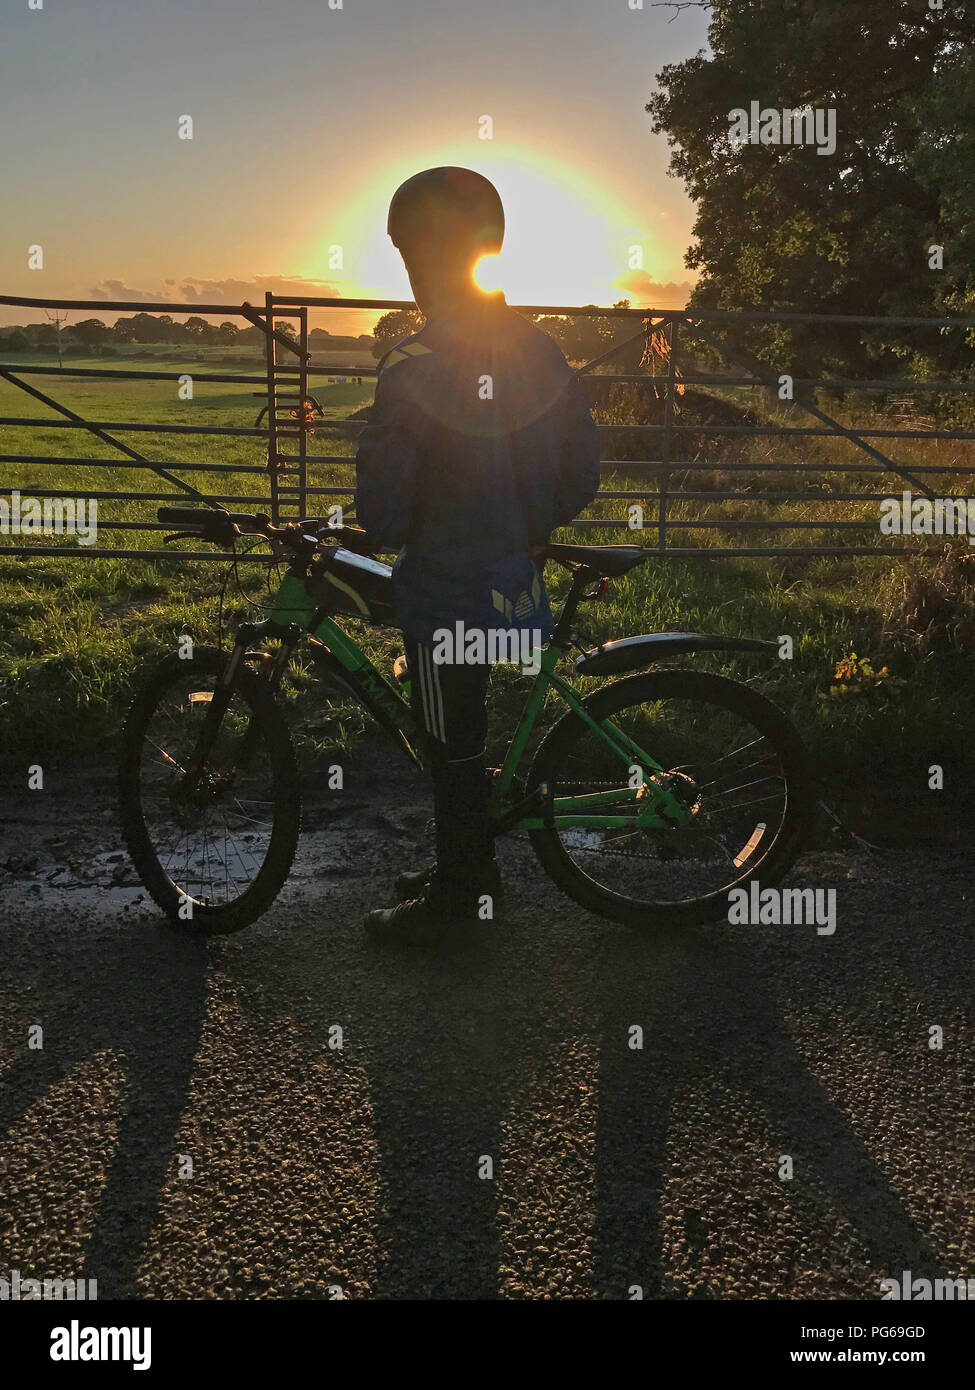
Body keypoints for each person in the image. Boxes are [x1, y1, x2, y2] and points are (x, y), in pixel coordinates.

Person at [355, 166, 601, 941]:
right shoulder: (541, 350)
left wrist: (383, 521)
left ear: (429, 253)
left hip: (442, 587)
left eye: (406, 251)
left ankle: (462, 901)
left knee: (445, 741)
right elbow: (581, 470)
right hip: (508, 578)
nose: (406, 267)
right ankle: (463, 864)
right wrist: (524, 522)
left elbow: (385, 508)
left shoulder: (418, 362)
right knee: (462, 735)